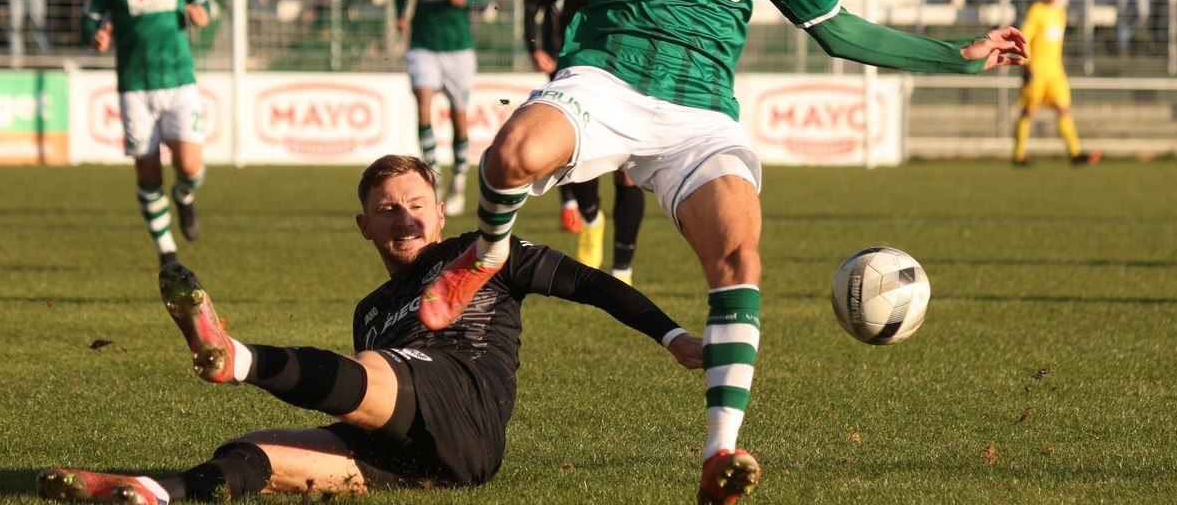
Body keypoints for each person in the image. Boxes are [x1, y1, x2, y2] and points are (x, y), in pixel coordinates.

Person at [321, 0, 1027, 503]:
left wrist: (958, 57)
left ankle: (720, 452)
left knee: (740, 254)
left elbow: (843, 33)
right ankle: (488, 254)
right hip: (605, 82)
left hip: (698, 118)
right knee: (508, 159)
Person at [36, 154, 701, 503]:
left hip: (463, 407)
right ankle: (153, 493)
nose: (403, 217)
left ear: (441, 214)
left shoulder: (482, 251)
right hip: (416, 458)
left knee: (377, 369)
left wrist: (674, 338)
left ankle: (234, 357)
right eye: (387, 210)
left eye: (415, 205)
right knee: (253, 451)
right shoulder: (371, 308)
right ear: (366, 227)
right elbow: (362, 396)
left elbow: (588, 282)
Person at [81, 0, 210, 266]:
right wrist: (96, 37)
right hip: (135, 86)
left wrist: (202, 16)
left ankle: (184, 198)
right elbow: (88, 22)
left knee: (189, 167)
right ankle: (166, 250)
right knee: (148, 170)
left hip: (179, 79)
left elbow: (203, 5)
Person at [522, 0, 646, 281]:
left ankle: (622, 267)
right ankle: (591, 221)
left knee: (627, 166)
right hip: (576, 52)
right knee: (580, 146)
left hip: (628, 53)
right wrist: (535, 43)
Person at [394, 0, 496, 216]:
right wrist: (401, 14)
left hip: (458, 48)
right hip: (423, 45)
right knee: (423, 100)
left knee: (458, 116)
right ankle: (432, 181)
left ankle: (459, 182)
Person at [1012, 0, 1101, 167]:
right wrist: (1025, 64)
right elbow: (1024, 38)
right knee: (1029, 111)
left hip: (1055, 71)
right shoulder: (1037, 10)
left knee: (1063, 108)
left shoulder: (1061, 13)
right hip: (1036, 69)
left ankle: (1075, 153)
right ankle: (1019, 155)